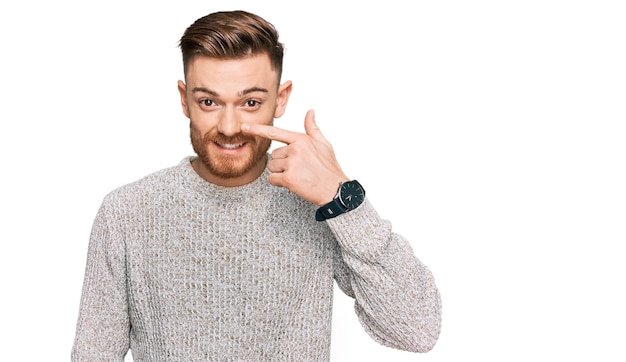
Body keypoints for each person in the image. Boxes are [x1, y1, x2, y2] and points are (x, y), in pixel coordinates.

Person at [71, 10, 442, 361]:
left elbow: (417, 330)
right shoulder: (127, 212)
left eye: (250, 102)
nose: (230, 127)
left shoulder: (319, 205)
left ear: (280, 100)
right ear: (184, 100)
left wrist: (342, 198)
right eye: (208, 101)